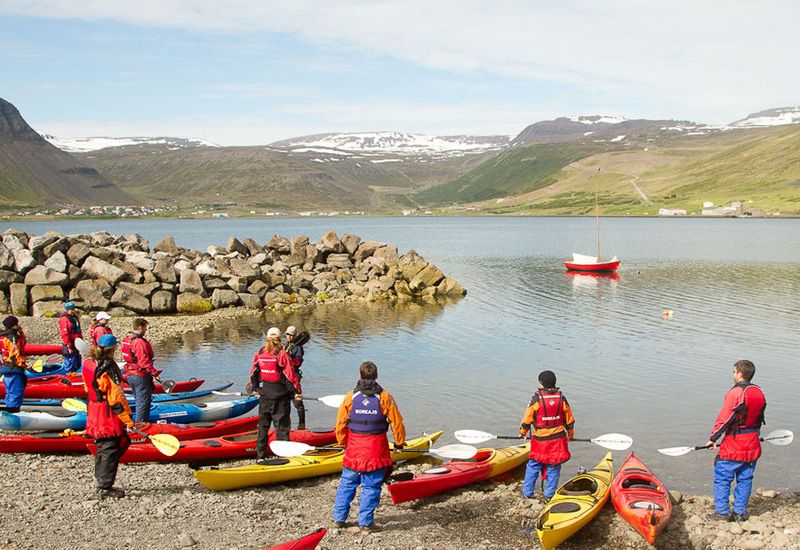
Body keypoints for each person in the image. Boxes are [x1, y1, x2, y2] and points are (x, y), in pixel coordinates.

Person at [332, 361, 405, 532]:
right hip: (375, 450)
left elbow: (340, 424)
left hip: (354, 449)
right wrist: (399, 443)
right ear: (376, 376)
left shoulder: (350, 397)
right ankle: (365, 522)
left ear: (360, 375)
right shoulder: (385, 397)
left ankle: (339, 519)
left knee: (347, 484)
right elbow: (397, 423)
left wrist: (342, 442)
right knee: (371, 486)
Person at [705, 360, 766, 522]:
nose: (733, 374)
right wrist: (756, 434)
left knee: (722, 477)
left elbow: (725, 418)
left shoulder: (736, 393)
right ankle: (739, 513)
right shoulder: (759, 391)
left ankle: (722, 513)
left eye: (734, 371)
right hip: (752, 442)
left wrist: (713, 438)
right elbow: (759, 418)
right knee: (745, 478)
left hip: (734, 443)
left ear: (740, 373)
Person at [81, 334, 135, 499]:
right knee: (111, 448)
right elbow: (117, 397)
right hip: (107, 414)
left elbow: (86, 388)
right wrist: (128, 420)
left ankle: (101, 482)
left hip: (94, 410)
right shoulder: (110, 367)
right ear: (114, 348)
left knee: (102, 446)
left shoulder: (89, 363)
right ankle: (105, 487)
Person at [519, 370, 575, 501]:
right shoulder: (562, 398)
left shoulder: (536, 399)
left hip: (540, 441)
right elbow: (570, 421)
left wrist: (522, 433)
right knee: (553, 467)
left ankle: (528, 493)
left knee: (533, 465)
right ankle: (549, 495)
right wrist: (570, 435)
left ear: (541, 383)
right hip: (558, 441)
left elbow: (527, 419)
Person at [249, 327, 302, 463]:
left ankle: (260, 456)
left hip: (264, 395)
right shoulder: (282, 354)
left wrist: (256, 389)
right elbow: (290, 376)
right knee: (282, 429)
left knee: (263, 427)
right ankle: (283, 458)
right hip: (280, 397)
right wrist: (296, 392)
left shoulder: (260, 352)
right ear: (279, 339)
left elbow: (253, 373)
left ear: (267, 338)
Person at [121, 318, 160, 423]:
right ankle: (141, 426)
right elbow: (144, 362)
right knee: (143, 403)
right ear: (140, 327)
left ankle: (139, 423)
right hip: (139, 376)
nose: (146, 330)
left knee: (139, 401)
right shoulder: (139, 342)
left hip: (130, 375)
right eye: (145, 327)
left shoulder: (127, 339)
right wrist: (154, 373)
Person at [0, 316, 28, 412]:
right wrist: (21, 364)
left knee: (9, 392)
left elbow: (23, 342)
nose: (18, 325)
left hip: (6, 367)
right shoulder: (12, 338)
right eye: (16, 324)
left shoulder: (3, 336)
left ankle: (8, 410)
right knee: (16, 392)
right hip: (14, 368)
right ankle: (13, 412)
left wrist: (21, 332)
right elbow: (15, 353)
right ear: (13, 325)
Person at [285, 325, 306, 430]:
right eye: (287, 334)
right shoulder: (286, 345)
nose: (289, 336)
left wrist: (291, 356)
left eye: (291, 335)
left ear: (295, 336)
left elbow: (298, 362)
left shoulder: (298, 348)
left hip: (294, 376)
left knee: (297, 402)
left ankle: (302, 425)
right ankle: (287, 425)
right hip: (285, 376)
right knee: (285, 403)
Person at [58, 301, 83, 373]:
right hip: (70, 343)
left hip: (76, 342)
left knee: (77, 361)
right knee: (70, 362)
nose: (73, 311)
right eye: (71, 310)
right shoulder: (64, 319)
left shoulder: (75, 318)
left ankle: (77, 373)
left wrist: (80, 341)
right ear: (67, 310)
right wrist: (68, 346)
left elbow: (78, 331)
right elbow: (64, 334)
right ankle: (69, 374)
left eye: (73, 309)